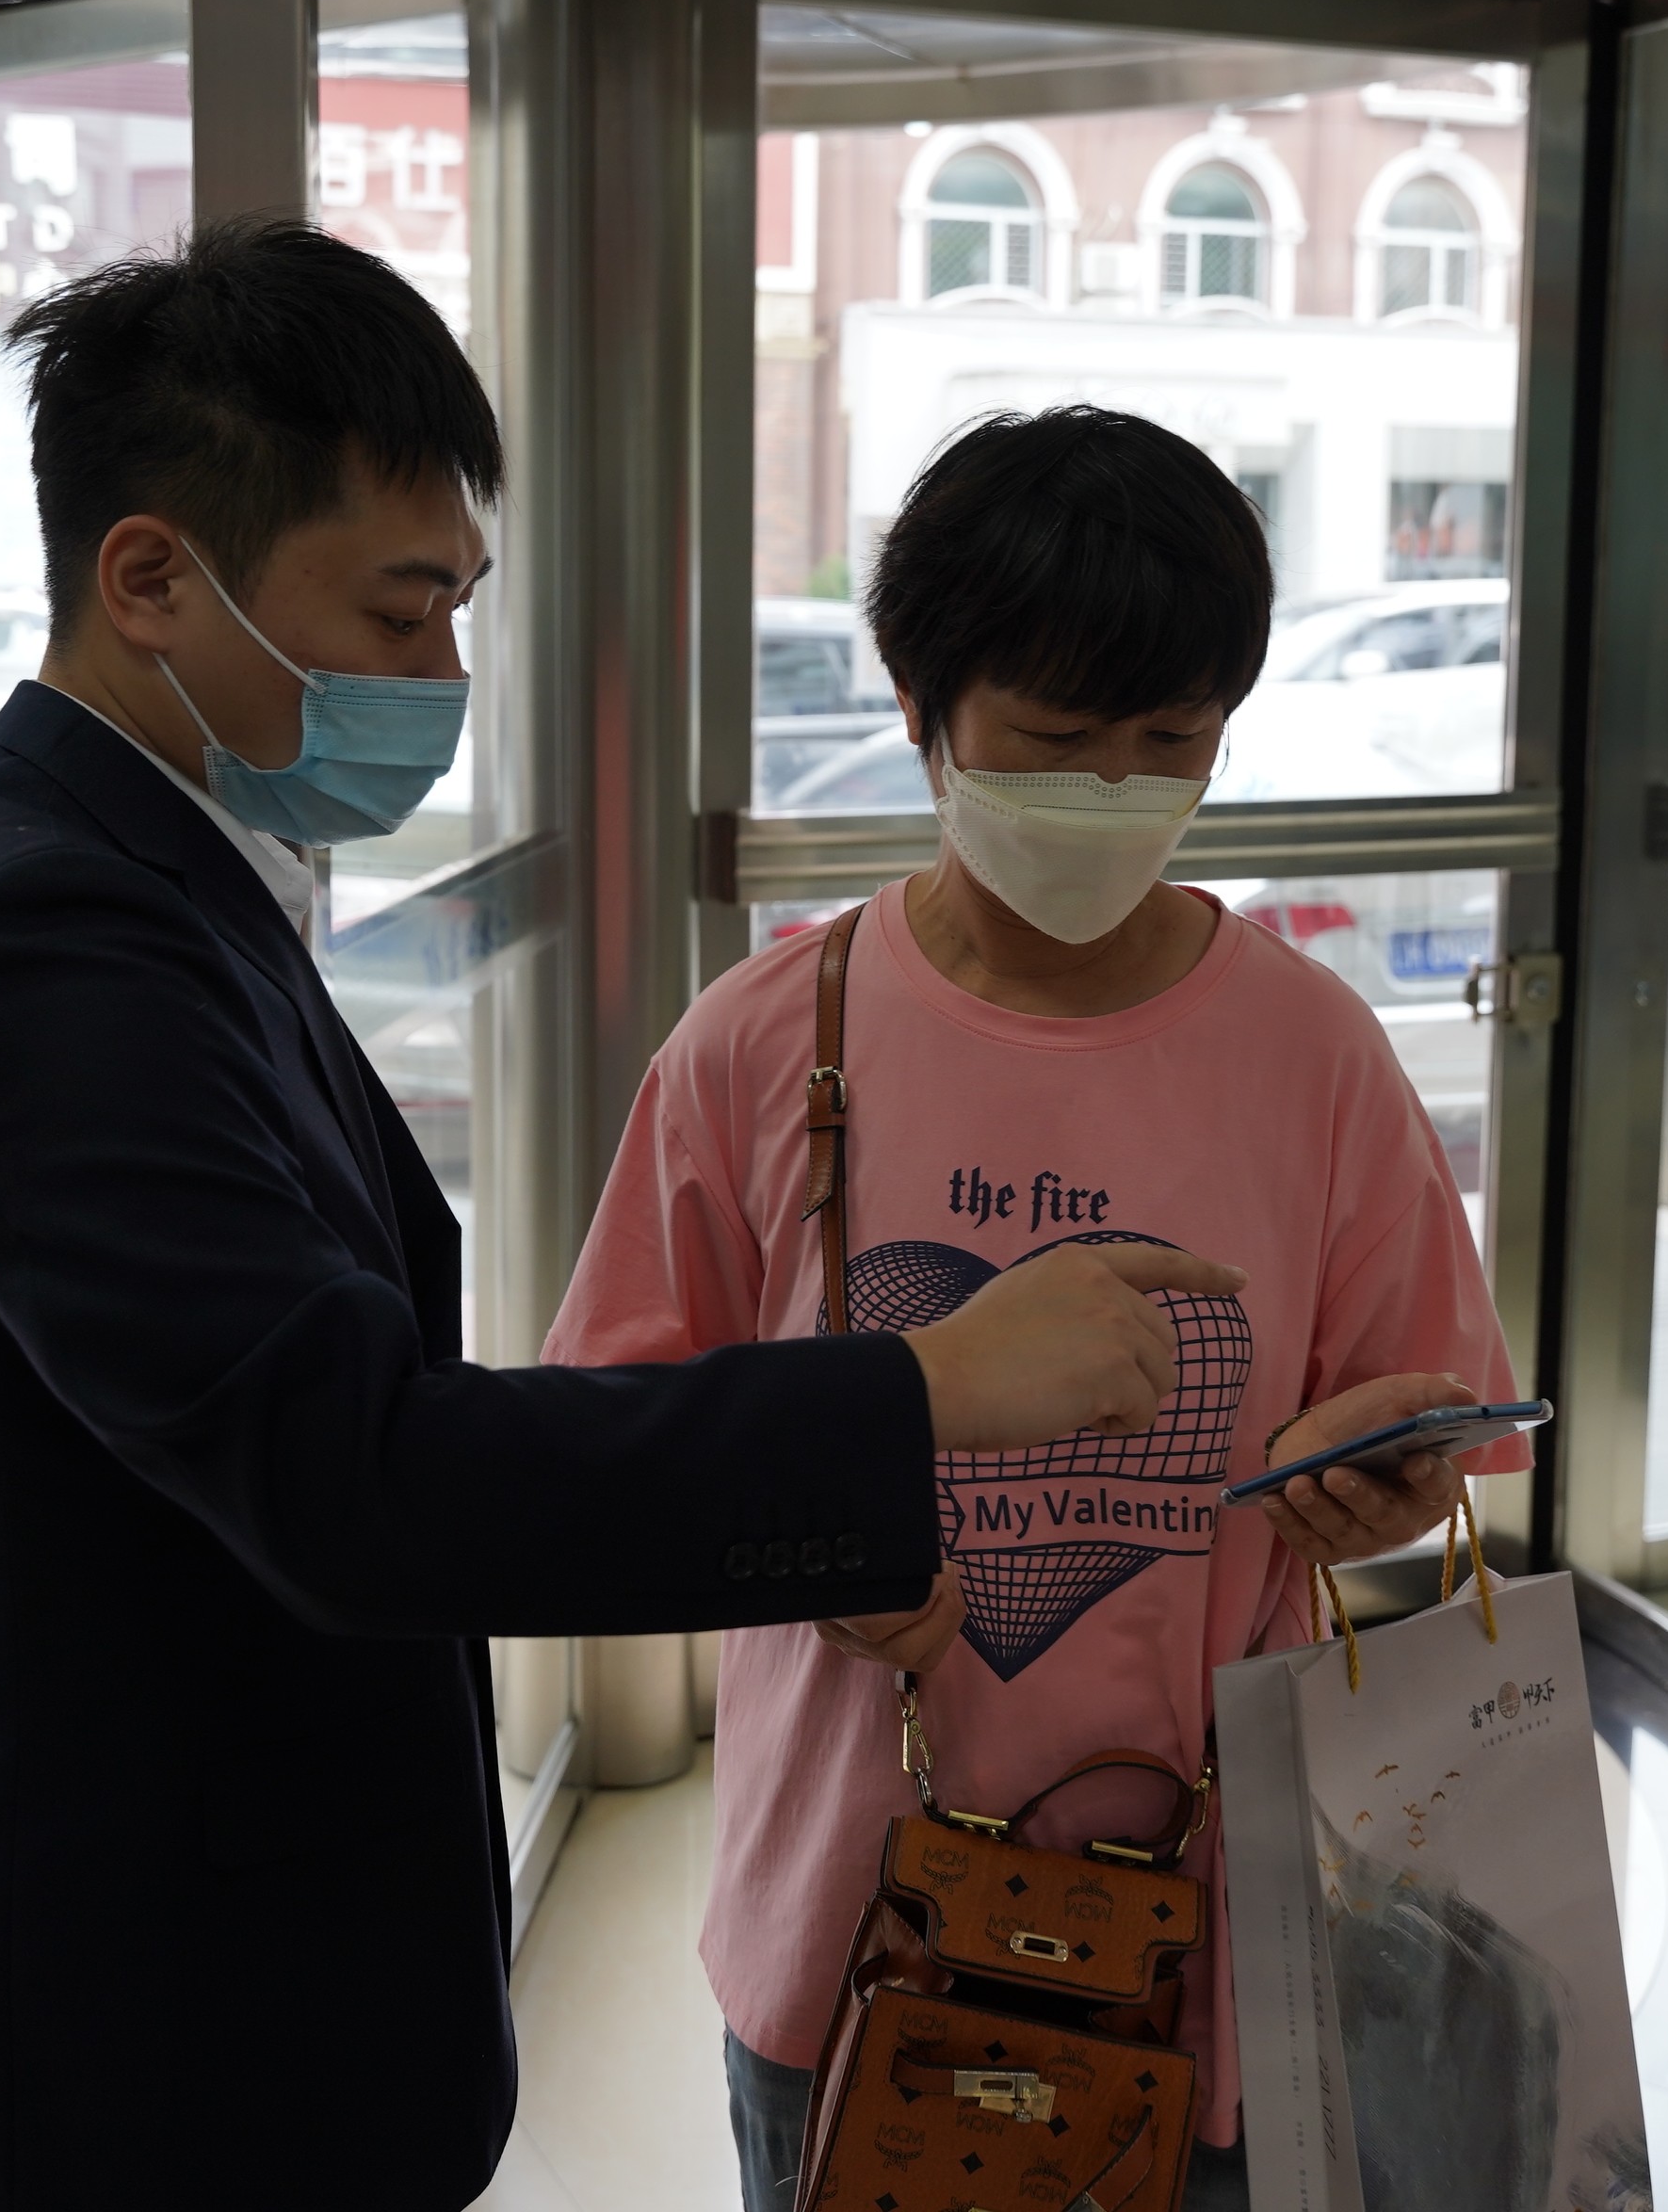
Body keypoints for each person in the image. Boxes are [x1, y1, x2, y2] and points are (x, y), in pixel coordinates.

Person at [0, 228, 1246, 2208]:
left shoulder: (152, 872)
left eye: (457, 610)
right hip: (121, 2050)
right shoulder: (58, 939)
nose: (441, 680)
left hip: (185, 1994)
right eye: (399, 612)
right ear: (149, 577)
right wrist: (925, 1396)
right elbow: (355, 1474)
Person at [544, 407, 1527, 2211]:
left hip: (1216, 1940)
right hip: (856, 1924)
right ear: (921, 709)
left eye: (1171, 744)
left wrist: (1384, 1484)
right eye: (1058, 744)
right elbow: (600, 1455)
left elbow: (1428, 1422)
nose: (1113, 792)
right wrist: (807, 1544)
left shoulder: (1309, 1051)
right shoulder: (767, 1043)